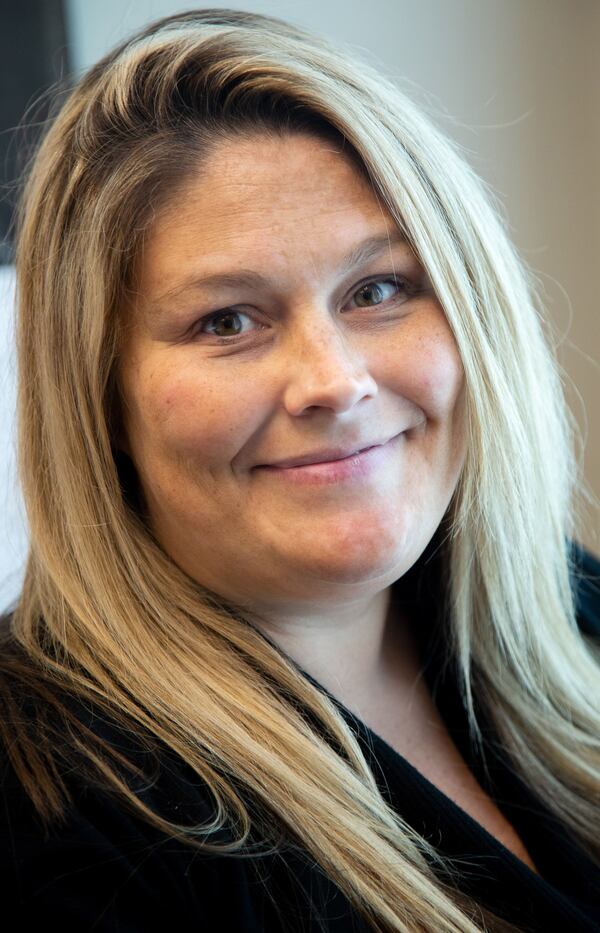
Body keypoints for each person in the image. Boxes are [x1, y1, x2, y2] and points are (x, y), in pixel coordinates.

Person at [0, 8, 598, 932]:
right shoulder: (47, 818)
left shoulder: (569, 606)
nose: (334, 381)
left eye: (379, 289)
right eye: (227, 321)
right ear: (100, 398)